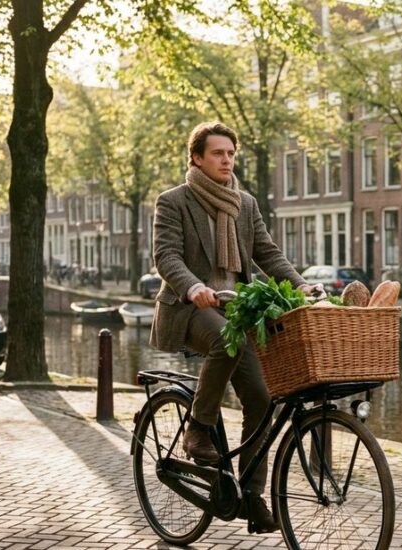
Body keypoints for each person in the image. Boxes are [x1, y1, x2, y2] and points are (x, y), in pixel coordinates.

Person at [150, 121, 317, 533]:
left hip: (236, 308)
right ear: (196, 158)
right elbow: (166, 256)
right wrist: (193, 288)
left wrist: (304, 286)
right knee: (227, 338)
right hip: (189, 309)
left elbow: (269, 255)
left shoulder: (245, 203)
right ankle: (198, 429)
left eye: (231, 154)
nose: (227, 160)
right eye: (218, 154)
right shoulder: (174, 201)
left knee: (262, 397)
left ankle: (252, 496)